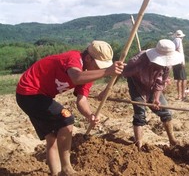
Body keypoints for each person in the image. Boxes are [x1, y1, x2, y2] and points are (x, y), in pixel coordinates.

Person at [16, 40, 125, 176]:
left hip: (38, 96)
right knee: (66, 119)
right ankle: (67, 169)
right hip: (29, 92)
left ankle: (56, 173)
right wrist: (107, 71)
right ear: (87, 58)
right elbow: (76, 77)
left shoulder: (89, 74)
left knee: (51, 137)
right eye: (98, 65)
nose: (99, 69)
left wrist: (89, 115)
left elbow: (82, 100)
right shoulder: (73, 58)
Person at [122, 39, 183, 151]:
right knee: (140, 112)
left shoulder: (166, 66)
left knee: (166, 112)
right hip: (137, 85)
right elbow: (122, 71)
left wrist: (155, 98)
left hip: (152, 86)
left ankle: (172, 140)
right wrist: (106, 89)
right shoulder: (139, 60)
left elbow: (160, 83)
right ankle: (138, 144)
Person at [172, 30, 187, 100]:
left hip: (175, 61)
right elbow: (176, 50)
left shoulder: (174, 40)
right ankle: (182, 95)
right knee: (183, 79)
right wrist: (181, 61)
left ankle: (179, 95)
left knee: (179, 79)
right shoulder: (178, 40)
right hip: (179, 61)